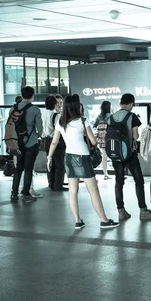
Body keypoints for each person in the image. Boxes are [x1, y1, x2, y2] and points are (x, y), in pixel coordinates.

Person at [48, 95, 119, 230]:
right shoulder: (82, 121)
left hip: (69, 157)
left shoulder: (60, 122)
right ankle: (104, 220)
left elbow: (54, 142)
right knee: (93, 190)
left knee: (73, 191)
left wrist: (49, 157)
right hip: (83, 157)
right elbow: (93, 141)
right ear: (76, 105)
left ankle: (77, 221)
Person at [109, 94, 151, 221]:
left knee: (118, 183)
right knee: (139, 181)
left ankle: (121, 211)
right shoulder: (131, 116)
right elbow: (135, 136)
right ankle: (143, 211)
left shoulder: (112, 117)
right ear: (131, 104)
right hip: (129, 154)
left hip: (116, 155)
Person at [10, 86, 43, 203]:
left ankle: (14, 193)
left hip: (17, 144)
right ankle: (25, 193)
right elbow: (40, 130)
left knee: (18, 169)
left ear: (22, 95)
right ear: (32, 96)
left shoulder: (13, 109)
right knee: (28, 169)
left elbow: (10, 127)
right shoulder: (35, 109)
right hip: (31, 143)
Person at [43, 95, 66, 191]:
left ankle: (51, 182)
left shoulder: (43, 114)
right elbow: (60, 130)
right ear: (54, 104)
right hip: (55, 141)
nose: (59, 105)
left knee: (50, 162)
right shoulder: (56, 115)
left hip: (46, 141)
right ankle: (58, 185)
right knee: (60, 164)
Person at [94, 101, 112, 180]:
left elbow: (94, 126)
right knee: (112, 155)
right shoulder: (110, 116)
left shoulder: (99, 117)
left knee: (104, 156)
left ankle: (105, 173)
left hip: (101, 138)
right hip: (109, 137)